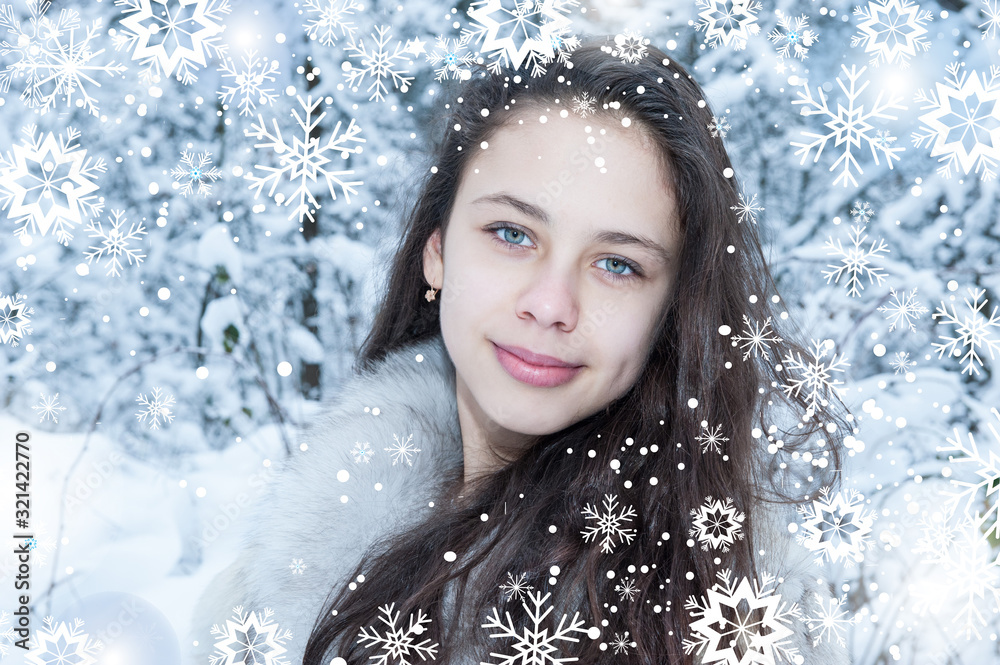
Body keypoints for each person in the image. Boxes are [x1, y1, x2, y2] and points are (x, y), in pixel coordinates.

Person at [189, 35, 853, 665]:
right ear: (438, 251)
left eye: (617, 265)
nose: (550, 303)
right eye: (511, 232)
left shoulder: (733, 618)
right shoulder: (257, 610)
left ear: (670, 313)